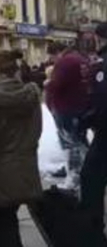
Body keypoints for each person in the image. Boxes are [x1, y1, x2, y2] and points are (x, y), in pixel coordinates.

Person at [0, 50, 43, 247]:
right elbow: (37, 130)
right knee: (6, 219)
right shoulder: (31, 96)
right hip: (25, 167)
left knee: (4, 220)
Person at [45, 40, 91, 188]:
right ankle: (87, 169)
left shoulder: (65, 62)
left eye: (52, 57)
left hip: (67, 108)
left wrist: (47, 83)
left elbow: (56, 84)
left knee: (70, 143)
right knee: (80, 141)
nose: (51, 61)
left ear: (57, 53)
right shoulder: (81, 59)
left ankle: (74, 175)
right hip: (80, 107)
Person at [80, 22, 107, 246]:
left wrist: (86, 120)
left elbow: (101, 103)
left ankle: (94, 237)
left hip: (105, 136)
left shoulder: (101, 68)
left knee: (90, 180)